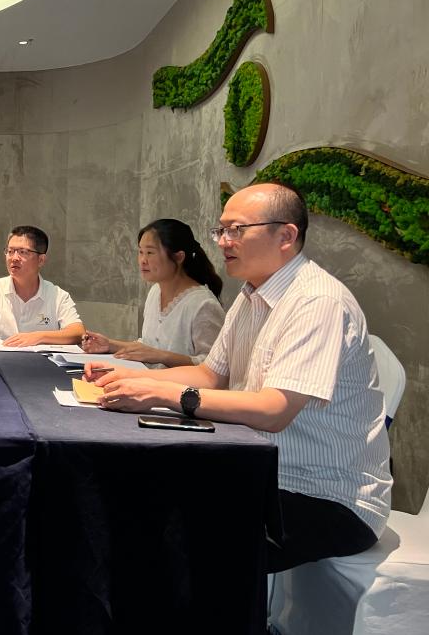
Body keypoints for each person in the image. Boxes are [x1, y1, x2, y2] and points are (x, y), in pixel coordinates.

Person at [87, 183, 392, 571]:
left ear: (286, 236)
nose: (223, 241)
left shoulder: (317, 301)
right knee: (137, 491)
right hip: (264, 470)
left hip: (324, 496)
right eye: (221, 230)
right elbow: (209, 374)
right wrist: (125, 375)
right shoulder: (251, 296)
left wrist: (163, 395)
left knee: (169, 534)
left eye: (237, 230)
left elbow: (274, 410)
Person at [81, 219, 225, 366]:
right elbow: (147, 347)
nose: (143, 260)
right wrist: (109, 345)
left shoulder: (203, 305)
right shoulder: (155, 291)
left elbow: (213, 366)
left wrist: (162, 356)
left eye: (150, 252)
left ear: (179, 257)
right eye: (140, 252)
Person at [0, 225, 84, 348]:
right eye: (10, 251)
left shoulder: (58, 296)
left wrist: (38, 337)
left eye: (23, 252)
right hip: (1, 358)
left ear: (41, 260)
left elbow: (78, 332)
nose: (14, 258)